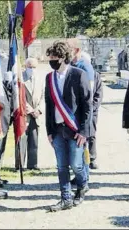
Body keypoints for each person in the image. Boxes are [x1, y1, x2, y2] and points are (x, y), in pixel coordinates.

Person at [45, 41, 92, 212]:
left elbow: (87, 105)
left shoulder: (79, 75)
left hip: (75, 130)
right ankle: (66, 198)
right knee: (61, 166)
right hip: (57, 129)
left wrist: (84, 131)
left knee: (76, 165)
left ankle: (83, 184)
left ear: (64, 57)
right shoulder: (49, 78)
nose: (51, 61)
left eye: (54, 58)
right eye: (50, 58)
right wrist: (49, 131)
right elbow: (49, 105)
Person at [67, 38, 95, 181]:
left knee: (82, 145)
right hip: (71, 114)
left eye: (68, 48)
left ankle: (84, 177)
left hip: (82, 113)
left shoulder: (85, 67)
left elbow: (89, 92)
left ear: (76, 50)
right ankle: (78, 176)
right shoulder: (70, 65)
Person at [15, 57, 44, 171]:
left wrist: (39, 110)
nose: (32, 69)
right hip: (24, 114)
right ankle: (20, 165)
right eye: (30, 67)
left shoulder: (40, 79)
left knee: (34, 140)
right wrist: (30, 110)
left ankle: (33, 164)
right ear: (25, 67)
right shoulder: (20, 79)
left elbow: (43, 96)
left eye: (34, 67)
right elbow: (19, 97)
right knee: (22, 140)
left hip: (36, 115)